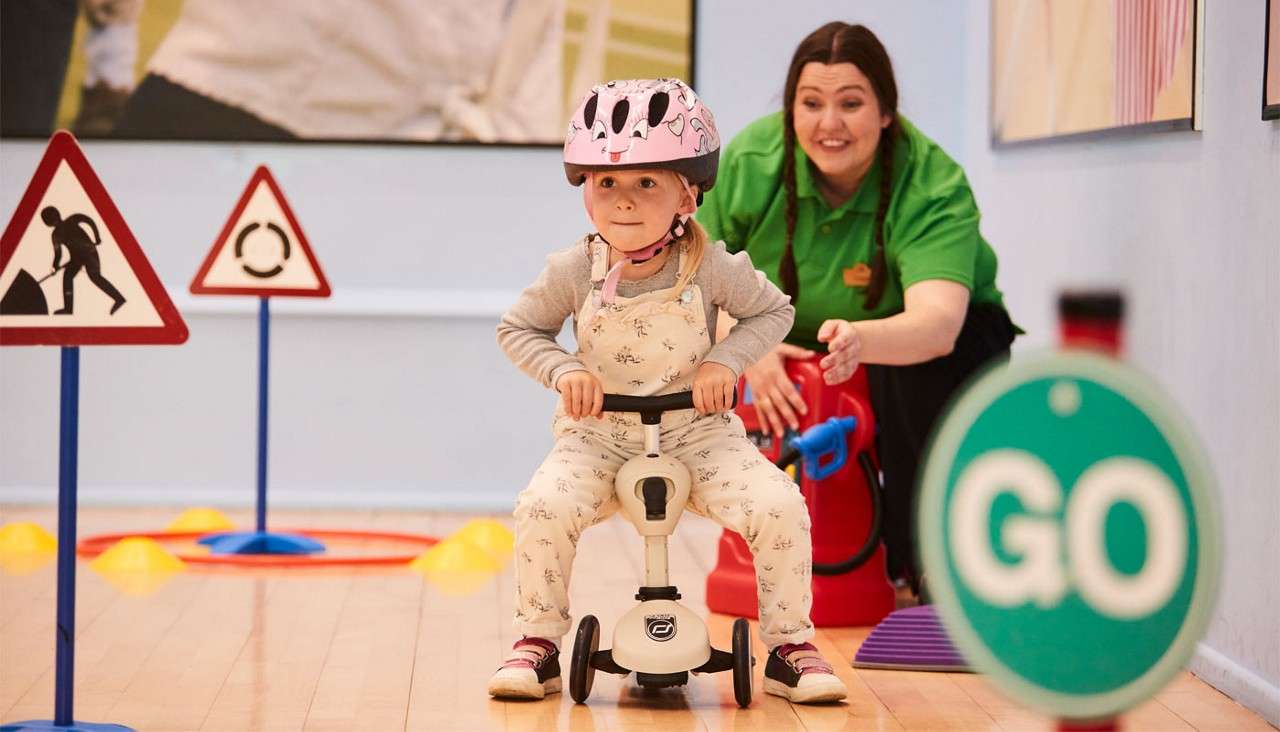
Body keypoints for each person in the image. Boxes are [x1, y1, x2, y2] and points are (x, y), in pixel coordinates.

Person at [491, 78, 848, 704]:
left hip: (697, 433)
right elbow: (518, 328)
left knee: (779, 505)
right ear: (585, 194)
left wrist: (726, 361)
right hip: (598, 436)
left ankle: (790, 646)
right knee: (543, 506)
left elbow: (776, 312)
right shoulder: (575, 269)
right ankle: (539, 641)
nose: (623, 202)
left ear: (687, 193)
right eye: (607, 184)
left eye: (645, 183)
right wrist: (563, 371)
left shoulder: (712, 266)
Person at [698, 23, 1019, 594]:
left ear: (886, 112)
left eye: (851, 103)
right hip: (785, 335)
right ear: (791, 110)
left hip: (928, 342)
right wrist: (746, 349)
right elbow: (695, 281)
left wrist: (863, 344)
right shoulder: (751, 162)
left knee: (901, 378)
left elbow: (938, 325)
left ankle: (925, 567)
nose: (829, 124)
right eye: (811, 103)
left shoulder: (931, 182)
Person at [42, 205, 126, 315]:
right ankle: (68, 309)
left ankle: (119, 299)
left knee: (94, 277)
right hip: (77, 258)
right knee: (68, 276)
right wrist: (55, 266)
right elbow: (58, 254)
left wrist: (97, 236)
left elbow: (88, 220)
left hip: (89, 253)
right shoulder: (57, 234)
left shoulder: (69, 222)